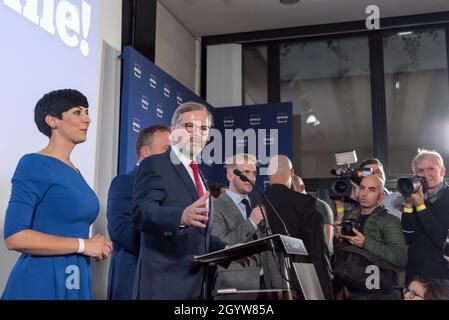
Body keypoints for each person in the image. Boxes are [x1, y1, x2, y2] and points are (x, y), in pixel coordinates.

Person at [2, 89, 112, 300]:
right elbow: (15, 237)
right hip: (40, 281)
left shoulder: (75, 171)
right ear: (53, 120)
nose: (87, 119)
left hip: (75, 276)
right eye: (77, 112)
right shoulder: (34, 163)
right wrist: (83, 245)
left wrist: (96, 245)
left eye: (87, 112)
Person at [132, 101, 227, 300]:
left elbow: (199, 234)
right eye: (189, 126)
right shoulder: (155, 164)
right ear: (174, 130)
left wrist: (229, 252)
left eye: (203, 128)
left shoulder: (199, 175)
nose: (196, 133)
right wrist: (181, 217)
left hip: (198, 284)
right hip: (165, 284)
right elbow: (142, 212)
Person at [106, 125, 171, 300]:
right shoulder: (124, 182)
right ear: (145, 151)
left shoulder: (170, 186)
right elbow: (120, 231)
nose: (172, 156)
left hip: (165, 279)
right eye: (166, 149)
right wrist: (164, 251)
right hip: (133, 277)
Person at [263, 155, 333, 300]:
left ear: (269, 173)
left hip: (266, 283)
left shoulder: (256, 201)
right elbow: (317, 250)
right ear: (292, 172)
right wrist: (325, 289)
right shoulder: (305, 203)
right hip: (302, 281)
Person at [334, 175, 407, 300]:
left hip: (382, 293)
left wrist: (365, 243)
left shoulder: (389, 220)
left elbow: (400, 257)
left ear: (381, 196)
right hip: (353, 289)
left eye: (371, 190)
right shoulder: (351, 217)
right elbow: (343, 254)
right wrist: (339, 238)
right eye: (362, 188)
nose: (365, 194)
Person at [211, 154, 265, 299]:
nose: (252, 178)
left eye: (253, 173)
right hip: (232, 288)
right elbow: (221, 246)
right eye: (245, 172)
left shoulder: (258, 202)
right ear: (230, 175)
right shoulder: (216, 208)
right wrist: (251, 222)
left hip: (263, 287)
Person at [401, 149, 449, 282]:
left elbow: (442, 239)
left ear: (442, 171)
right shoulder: (418, 197)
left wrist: (421, 206)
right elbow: (408, 237)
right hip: (414, 275)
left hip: (440, 278)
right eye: (420, 171)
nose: (426, 174)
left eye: (431, 169)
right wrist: (409, 206)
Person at [292, 175, 334, 255]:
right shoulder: (292, 207)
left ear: (302, 187)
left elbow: (328, 245)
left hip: (318, 258)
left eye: (293, 190)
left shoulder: (320, 206)